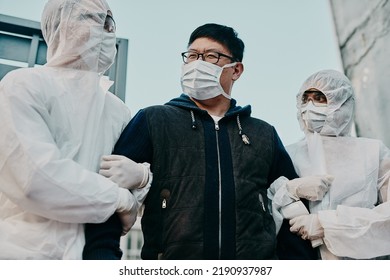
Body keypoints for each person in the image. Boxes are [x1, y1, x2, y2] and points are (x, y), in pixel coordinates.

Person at [83, 23, 317, 260]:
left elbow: (292, 210)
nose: (197, 63)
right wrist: (101, 258)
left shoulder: (263, 133)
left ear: (236, 70)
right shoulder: (154, 120)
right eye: (192, 55)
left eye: (211, 56)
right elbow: (109, 192)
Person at [0, 0, 150, 259]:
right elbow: (34, 179)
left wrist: (142, 178)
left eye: (108, 22)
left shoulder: (117, 110)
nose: (105, 30)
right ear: (60, 26)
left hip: (94, 254)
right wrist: (119, 199)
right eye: (89, 18)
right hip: (24, 253)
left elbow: (132, 198)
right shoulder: (24, 85)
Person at [268, 69, 390, 259]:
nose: (310, 106)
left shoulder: (372, 152)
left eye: (319, 98)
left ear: (343, 103)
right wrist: (288, 191)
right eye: (305, 99)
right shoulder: (288, 154)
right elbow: (261, 214)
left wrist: (327, 224)